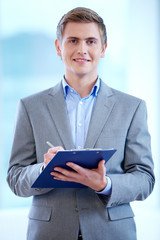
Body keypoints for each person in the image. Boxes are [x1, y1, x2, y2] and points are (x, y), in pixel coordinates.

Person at [7, 7, 155, 240]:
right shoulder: (30, 106)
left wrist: (104, 184)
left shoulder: (132, 107)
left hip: (111, 232)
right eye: (73, 40)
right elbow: (15, 178)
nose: (82, 49)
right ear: (59, 47)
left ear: (103, 49)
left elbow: (145, 178)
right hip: (50, 232)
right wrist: (44, 170)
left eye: (91, 41)